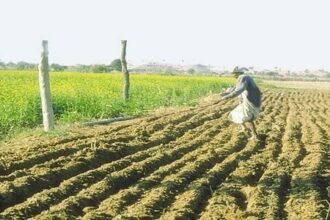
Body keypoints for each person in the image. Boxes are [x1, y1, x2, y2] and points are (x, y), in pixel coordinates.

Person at [221, 66, 261, 140]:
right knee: (236, 113)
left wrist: (227, 97)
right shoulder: (243, 78)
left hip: (251, 100)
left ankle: (255, 136)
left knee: (248, 118)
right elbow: (235, 88)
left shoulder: (242, 77)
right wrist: (226, 93)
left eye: (233, 74)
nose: (233, 76)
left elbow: (239, 90)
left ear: (237, 73)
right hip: (250, 99)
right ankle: (244, 127)